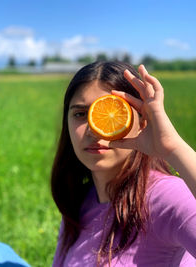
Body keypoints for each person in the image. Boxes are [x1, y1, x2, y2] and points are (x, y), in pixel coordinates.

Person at [51, 61, 196, 266]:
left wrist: (173, 149)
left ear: (143, 121)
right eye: (80, 114)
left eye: (114, 112)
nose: (94, 129)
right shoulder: (78, 203)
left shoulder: (166, 197)